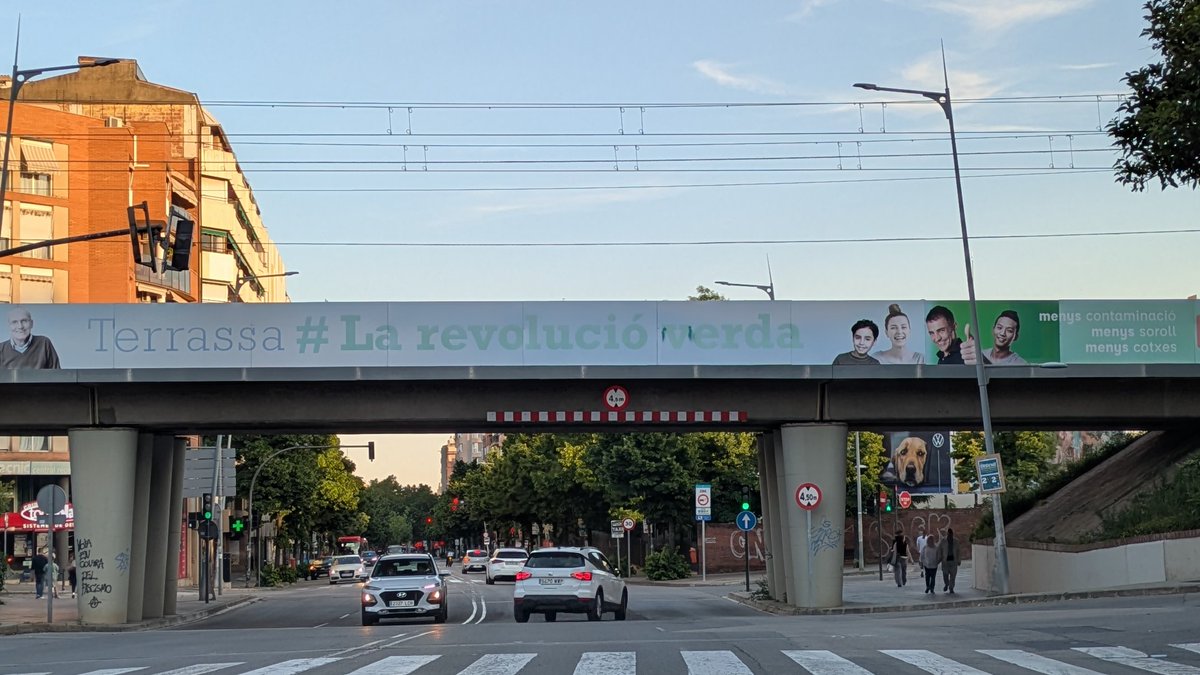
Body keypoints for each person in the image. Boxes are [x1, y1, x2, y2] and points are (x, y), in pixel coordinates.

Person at [925, 305, 991, 365]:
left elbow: (992, 375)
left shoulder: (967, 356)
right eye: (932, 333)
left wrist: (982, 362)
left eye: (941, 330)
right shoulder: (941, 358)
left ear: (954, 327)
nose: (937, 338)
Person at [938, 527, 962, 594]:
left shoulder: (956, 541)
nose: (950, 536)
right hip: (945, 561)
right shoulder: (943, 541)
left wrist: (959, 560)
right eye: (949, 534)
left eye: (951, 534)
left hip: (953, 561)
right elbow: (940, 550)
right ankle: (946, 584)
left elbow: (959, 551)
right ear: (947, 534)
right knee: (945, 574)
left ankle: (951, 588)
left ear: (952, 534)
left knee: (953, 575)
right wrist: (939, 558)